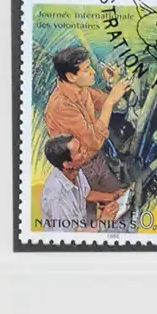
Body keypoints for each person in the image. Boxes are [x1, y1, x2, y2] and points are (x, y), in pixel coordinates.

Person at [43, 44, 134, 220]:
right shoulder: (60, 107)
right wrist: (110, 102)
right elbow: (94, 141)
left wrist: (112, 84)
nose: (93, 72)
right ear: (71, 76)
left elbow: (107, 100)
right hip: (78, 170)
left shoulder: (81, 89)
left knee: (122, 205)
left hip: (97, 162)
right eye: (86, 69)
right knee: (87, 221)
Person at [39, 133, 89, 230]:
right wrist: (103, 221)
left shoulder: (76, 170)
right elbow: (67, 236)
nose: (84, 151)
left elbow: (86, 193)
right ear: (67, 164)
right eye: (79, 151)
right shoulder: (57, 196)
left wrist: (113, 196)